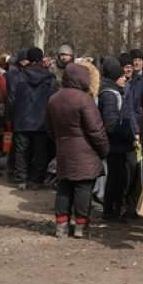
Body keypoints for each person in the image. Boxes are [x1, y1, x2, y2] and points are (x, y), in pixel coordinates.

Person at [47, 63, 109, 238]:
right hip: (86, 153)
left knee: (64, 188)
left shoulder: (54, 99)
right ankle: (81, 227)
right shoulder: (84, 99)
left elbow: (50, 129)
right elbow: (96, 130)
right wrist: (104, 149)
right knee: (83, 189)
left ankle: (61, 226)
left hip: (63, 151)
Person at [9, 46, 57, 190]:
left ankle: (21, 179)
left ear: (28, 59)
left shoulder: (18, 76)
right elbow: (52, 100)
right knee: (40, 151)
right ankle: (36, 180)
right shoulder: (49, 77)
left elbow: (11, 99)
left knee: (21, 151)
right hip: (41, 120)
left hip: (21, 119)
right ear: (41, 59)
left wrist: (11, 117)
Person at [99, 58, 135, 221]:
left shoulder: (114, 92)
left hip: (119, 144)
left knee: (118, 178)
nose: (125, 78)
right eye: (121, 76)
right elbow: (111, 124)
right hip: (116, 144)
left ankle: (113, 209)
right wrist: (129, 134)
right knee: (116, 179)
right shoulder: (110, 95)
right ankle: (111, 211)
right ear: (115, 77)